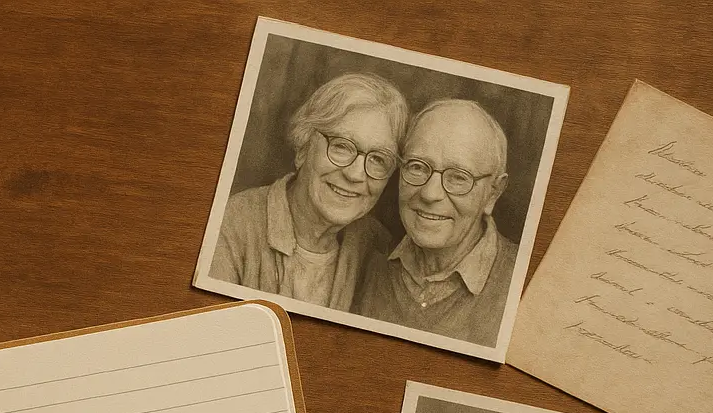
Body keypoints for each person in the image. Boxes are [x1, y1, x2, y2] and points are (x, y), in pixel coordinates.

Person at [210, 72, 408, 311]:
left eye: (378, 159)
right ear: (303, 148)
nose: (355, 174)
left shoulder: (378, 247)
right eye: (341, 146)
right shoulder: (231, 226)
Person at [354, 98, 518, 347]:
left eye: (458, 177)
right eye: (417, 167)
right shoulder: (366, 258)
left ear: (493, 193)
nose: (430, 194)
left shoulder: (526, 287)